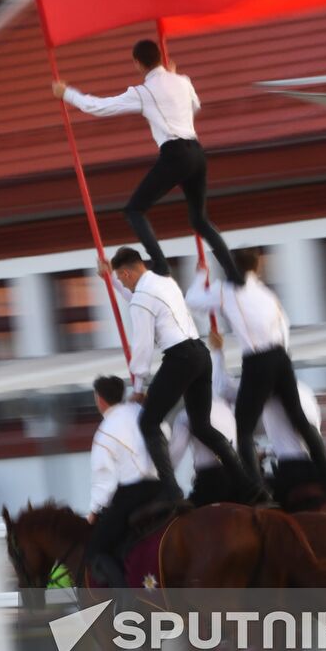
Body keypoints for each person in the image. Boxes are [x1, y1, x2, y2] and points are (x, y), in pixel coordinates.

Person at [53, 39, 243, 284]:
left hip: (175, 153)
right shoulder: (183, 81)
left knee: (134, 210)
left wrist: (66, 93)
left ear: (138, 64)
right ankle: (235, 276)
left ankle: (162, 267)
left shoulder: (144, 92)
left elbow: (98, 107)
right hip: (197, 152)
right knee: (200, 220)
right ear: (161, 59)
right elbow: (195, 106)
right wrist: (173, 83)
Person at [105, 247, 262, 504]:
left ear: (126, 272)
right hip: (200, 354)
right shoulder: (164, 281)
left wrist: (138, 386)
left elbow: (142, 346)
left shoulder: (142, 297)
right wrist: (110, 280)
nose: (123, 283)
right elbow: (135, 296)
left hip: (180, 359)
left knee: (148, 423)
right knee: (202, 426)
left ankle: (170, 492)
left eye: (121, 278)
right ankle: (247, 484)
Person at [186, 248, 326, 499]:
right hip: (281, 358)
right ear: (257, 268)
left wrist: (218, 352)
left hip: (291, 470)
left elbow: (193, 300)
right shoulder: (270, 296)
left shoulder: (229, 290)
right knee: (301, 420)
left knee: (243, 432)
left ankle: (257, 492)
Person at [209, 328, 326, 507]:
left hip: (292, 472)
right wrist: (267, 451)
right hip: (315, 467)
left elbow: (222, 389)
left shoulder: (269, 391)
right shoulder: (304, 390)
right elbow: (300, 436)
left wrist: (217, 352)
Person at [86, 375, 164, 587]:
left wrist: (93, 512)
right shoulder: (142, 411)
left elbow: (104, 479)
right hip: (163, 487)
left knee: (96, 547)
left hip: (133, 494)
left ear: (100, 399)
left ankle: (125, 598)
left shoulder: (105, 431)